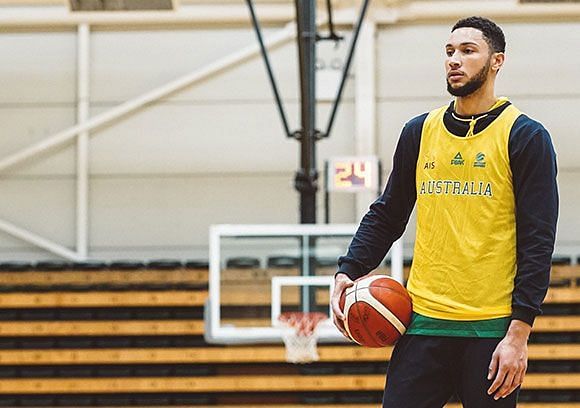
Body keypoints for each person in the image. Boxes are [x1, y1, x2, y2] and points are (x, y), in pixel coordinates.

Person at [330, 16, 558, 408]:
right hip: (422, 323)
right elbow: (388, 213)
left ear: (496, 61)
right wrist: (348, 269)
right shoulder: (419, 131)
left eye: (468, 51)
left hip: (491, 328)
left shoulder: (525, 136)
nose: (455, 60)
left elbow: (538, 241)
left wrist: (519, 334)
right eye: (449, 52)